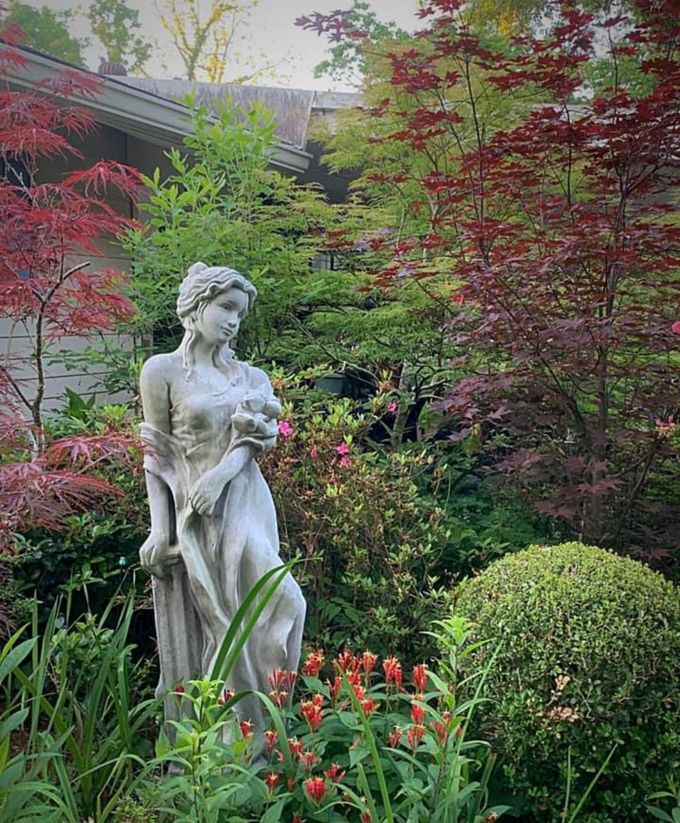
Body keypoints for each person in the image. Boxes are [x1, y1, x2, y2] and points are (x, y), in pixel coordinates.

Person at [138, 261, 305, 730]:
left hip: (245, 506)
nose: (233, 321)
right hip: (194, 515)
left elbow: (255, 442)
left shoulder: (252, 378)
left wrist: (219, 477)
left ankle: (263, 730)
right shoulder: (160, 371)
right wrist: (160, 530)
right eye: (226, 307)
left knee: (287, 604)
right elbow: (157, 455)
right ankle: (222, 737)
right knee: (222, 620)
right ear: (197, 305)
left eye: (240, 313)